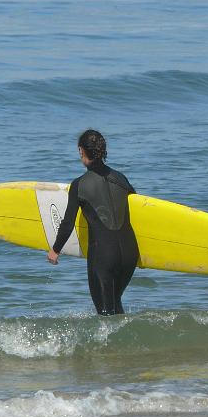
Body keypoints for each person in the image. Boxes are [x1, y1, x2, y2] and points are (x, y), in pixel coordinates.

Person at [46, 130, 139, 315]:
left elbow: (67, 223)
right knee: (116, 304)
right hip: (130, 253)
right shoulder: (121, 178)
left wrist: (55, 250)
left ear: (81, 151)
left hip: (104, 255)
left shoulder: (79, 185)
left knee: (105, 313)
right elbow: (138, 208)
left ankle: (112, 344)